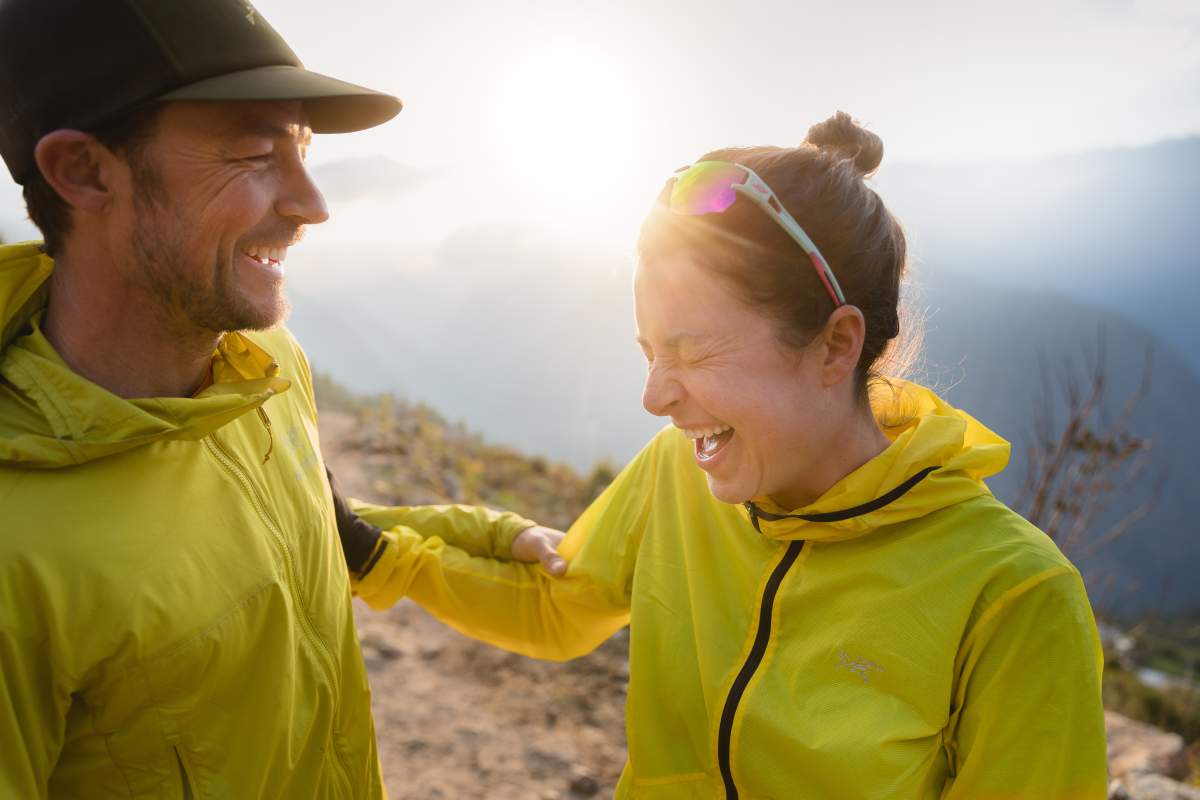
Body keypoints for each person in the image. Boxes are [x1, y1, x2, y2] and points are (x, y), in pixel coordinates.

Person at [348, 113, 1110, 798]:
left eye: (691, 349)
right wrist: (361, 545)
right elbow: (558, 607)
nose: (654, 396)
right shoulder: (681, 472)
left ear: (835, 345)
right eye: (649, 351)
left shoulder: (1013, 596)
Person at [0, 1, 563, 795]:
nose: (313, 204)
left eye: (301, 149)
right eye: (256, 152)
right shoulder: (15, 557)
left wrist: (492, 537)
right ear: (85, 172)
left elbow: (298, 528)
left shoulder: (261, 362)